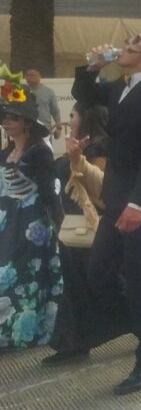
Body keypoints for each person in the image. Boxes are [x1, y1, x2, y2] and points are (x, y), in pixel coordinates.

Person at [72, 30, 141, 394]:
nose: (123, 45)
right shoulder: (124, 85)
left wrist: (138, 204)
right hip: (118, 195)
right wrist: (92, 67)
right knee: (100, 271)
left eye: (132, 42)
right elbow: (86, 97)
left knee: (138, 277)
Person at [43, 102, 122, 364]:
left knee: (98, 283)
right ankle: (73, 342)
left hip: (88, 226)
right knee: (77, 286)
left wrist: (76, 161)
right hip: (71, 224)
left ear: (86, 117)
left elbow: (98, 188)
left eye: (73, 114)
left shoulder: (99, 146)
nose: (70, 119)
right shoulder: (78, 143)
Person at [0, 86, 63, 351]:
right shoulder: (4, 153)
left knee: (27, 272)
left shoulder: (40, 152)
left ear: (27, 123)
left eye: (13, 117)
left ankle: (27, 329)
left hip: (33, 221)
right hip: (8, 218)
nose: (7, 122)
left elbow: (49, 191)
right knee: (8, 271)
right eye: (5, 117)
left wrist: (59, 224)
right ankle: (9, 328)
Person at [25, 68, 62, 140]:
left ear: (39, 76)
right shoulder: (20, 91)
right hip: (26, 131)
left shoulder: (49, 92)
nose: (30, 77)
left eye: (33, 75)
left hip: (45, 131)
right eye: (28, 75)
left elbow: (55, 111)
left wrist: (59, 128)